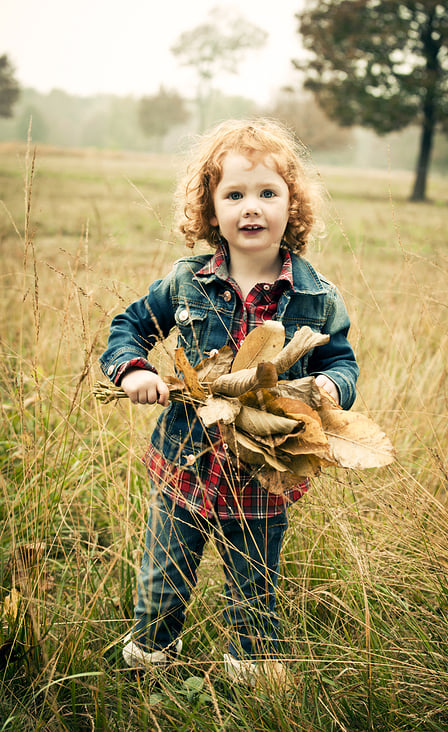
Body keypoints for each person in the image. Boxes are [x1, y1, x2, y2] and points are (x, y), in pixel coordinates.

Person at [99, 118, 358, 689]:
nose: (252, 208)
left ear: (293, 205)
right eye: (235, 194)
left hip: (264, 469)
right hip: (185, 466)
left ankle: (253, 668)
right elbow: (131, 326)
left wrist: (333, 387)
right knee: (164, 576)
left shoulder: (315, 295)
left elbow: (342, 360)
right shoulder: (186, 283)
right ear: (210, 209)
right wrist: (133, 369)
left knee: (255, 580)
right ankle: (152, 658)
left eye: (268, 193)